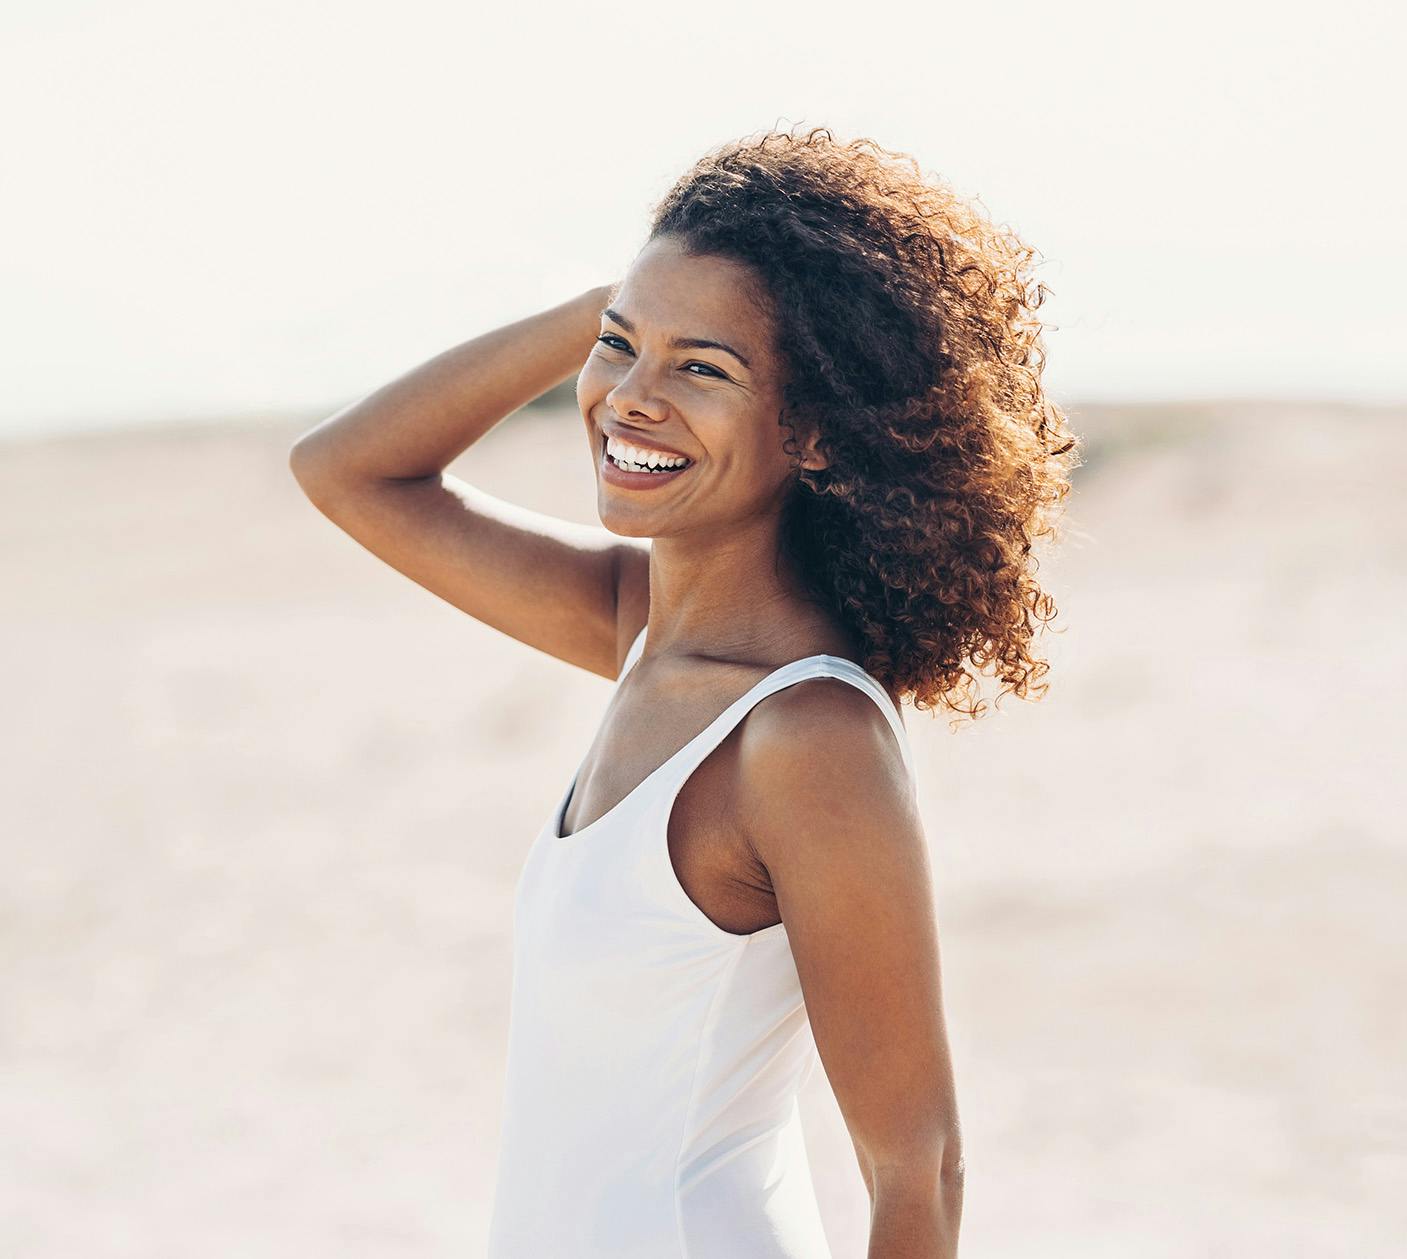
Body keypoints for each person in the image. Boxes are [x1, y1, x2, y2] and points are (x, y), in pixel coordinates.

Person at [289, 125, 1079, 1258]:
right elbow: (347, 470)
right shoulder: (643, 635)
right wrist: (625, 306)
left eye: (704, 368)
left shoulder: (806, 734)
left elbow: (920, 1166)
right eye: (620, 351)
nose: (630, 401)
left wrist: (640, 311)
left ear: (809, 429)